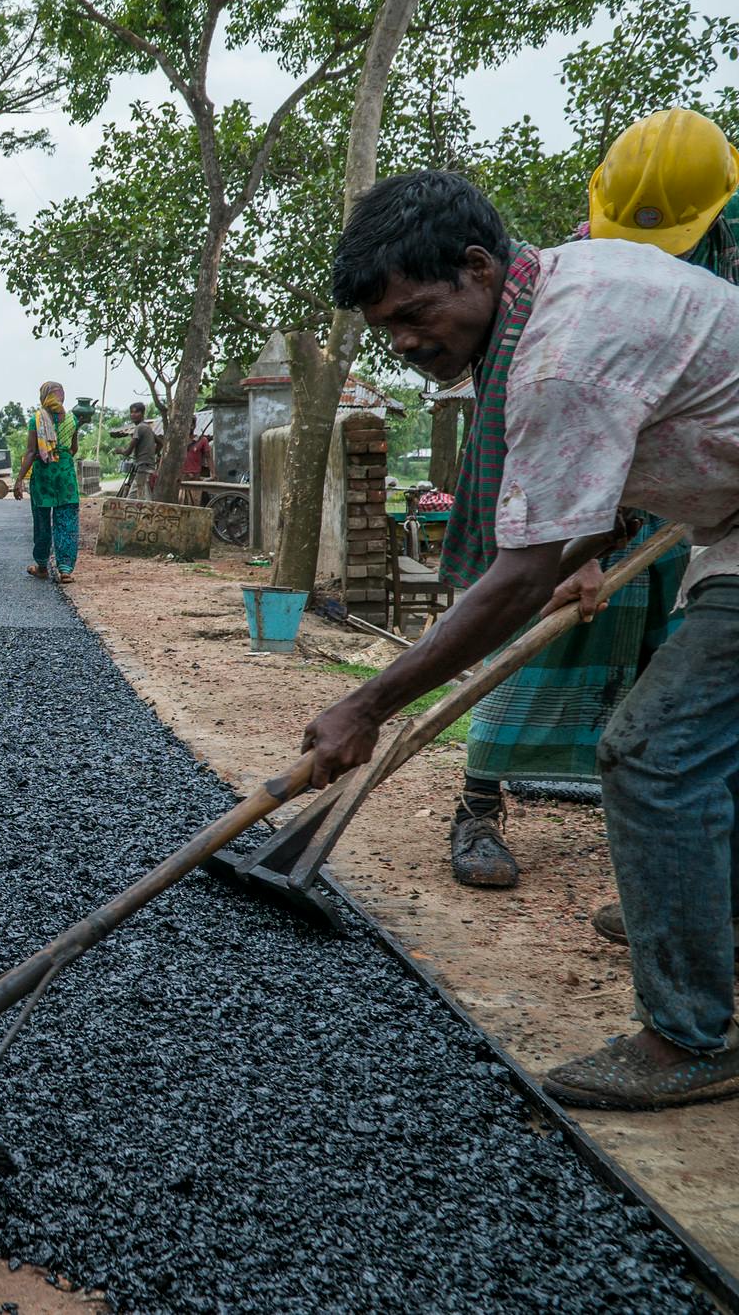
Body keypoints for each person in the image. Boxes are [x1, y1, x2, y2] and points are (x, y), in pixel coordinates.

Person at [305, 169, 739, 1111]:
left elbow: (517, 578)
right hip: (725, 524)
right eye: (385, 328)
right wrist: (589, 544)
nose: (406, 342)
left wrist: (366, 703)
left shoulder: (557, 358)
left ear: (477, 267)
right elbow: (621, 464)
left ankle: (688, 1037)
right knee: (704, 747)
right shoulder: (562, 288)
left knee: (654, 752)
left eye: (415, 314)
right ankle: (705, 916)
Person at [448, 108, 724, 891]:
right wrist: (581, 547)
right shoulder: (563, 283)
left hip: (695, 495)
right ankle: (477, 804)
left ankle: (677, 869)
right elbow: (545, 418)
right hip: (578, 477)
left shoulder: (729, 255)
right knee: (528, 626)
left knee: (676, 680)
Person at [13, 381, 80, 583]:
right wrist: (61, 455)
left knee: (42, 521)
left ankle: (42, 566)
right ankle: (65, 569)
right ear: (62, 397)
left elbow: (31, 452)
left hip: (43, 475)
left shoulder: (36, 420)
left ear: (43, 397)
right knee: (66, 521)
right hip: (65, 475)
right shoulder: (73, 419)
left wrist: (19, 479)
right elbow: (74, 449)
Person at [118, 402, 159, 494]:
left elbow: (128, 452)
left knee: (142, 497)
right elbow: (160, 443)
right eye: (131, 412)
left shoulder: (139, 428)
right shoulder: (147, 427)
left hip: (143, 468)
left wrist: (119, 451)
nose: (133, 415)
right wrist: (151, 454)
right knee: (134, 496)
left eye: (136, 412)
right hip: (147, 467)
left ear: (142, 413)